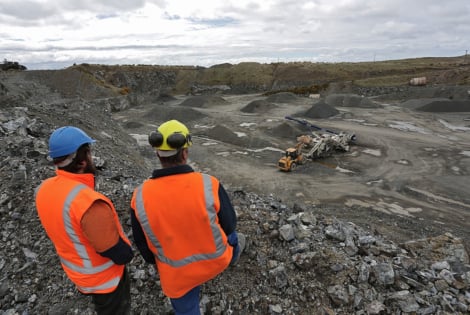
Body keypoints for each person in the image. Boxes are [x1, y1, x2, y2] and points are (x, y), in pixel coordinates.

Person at [130, 119, 245, 315]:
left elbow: (144, 248)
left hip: (176, 275)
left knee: (186, 309)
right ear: (185, 153)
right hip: (216, 261)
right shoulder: (209, 184)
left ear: (158, 154)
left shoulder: (140, 196)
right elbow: (229, 224)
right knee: (235, 236)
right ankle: (233, 257)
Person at [35, 126, 134, 315]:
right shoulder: (89, 203)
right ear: (81, 162)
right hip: (105, 281)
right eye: (89, 153)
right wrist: (128, 253)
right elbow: (116, 252)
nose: (92, 158)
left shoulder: (43, 189)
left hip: (78, 273)